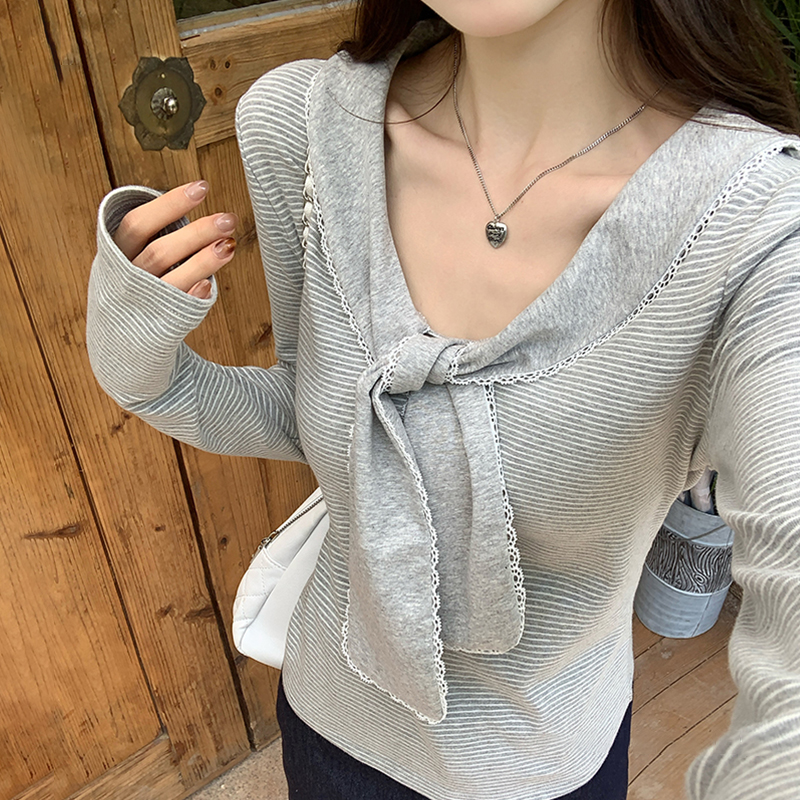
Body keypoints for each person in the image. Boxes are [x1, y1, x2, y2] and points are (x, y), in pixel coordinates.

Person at [86, 1, 800, 798]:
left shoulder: (758, 229)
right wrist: (141, 363)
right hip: (330, 726)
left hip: (545, 765)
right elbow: (314, 414)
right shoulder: (302, 126)